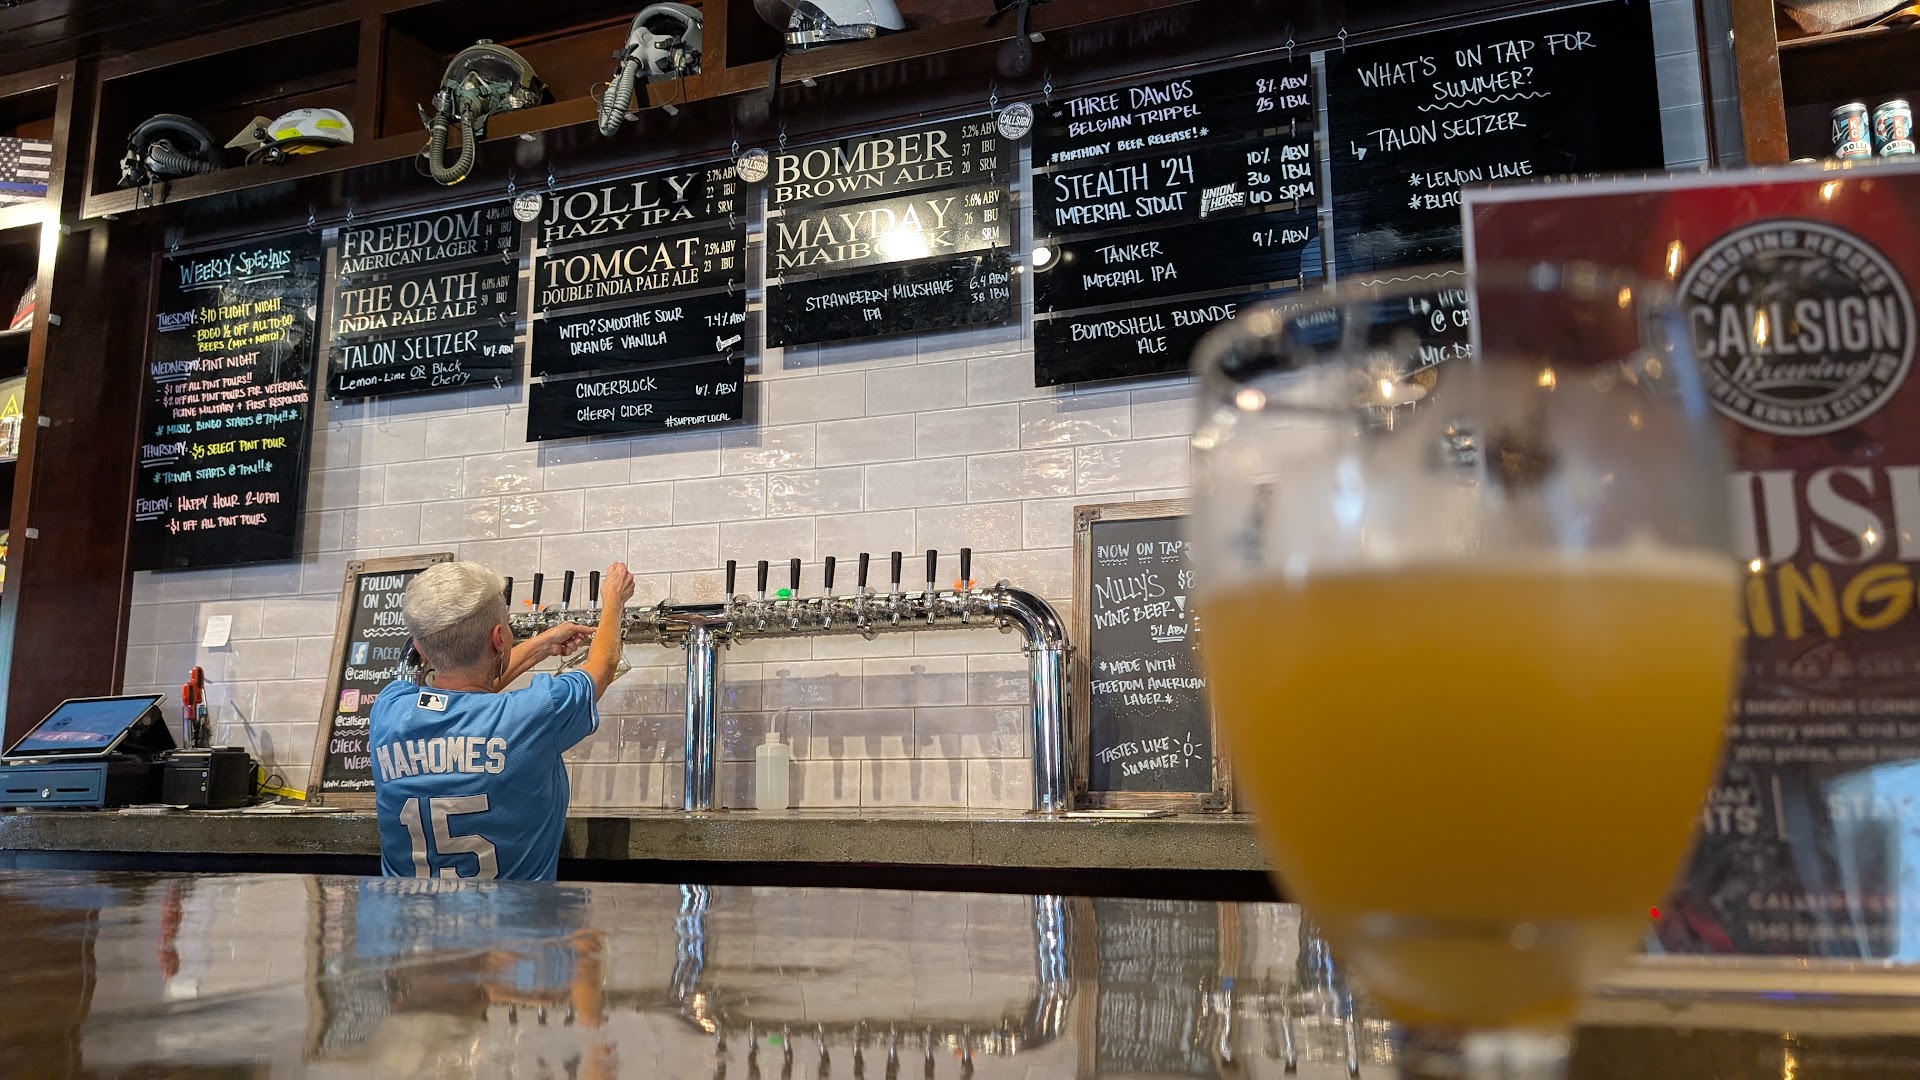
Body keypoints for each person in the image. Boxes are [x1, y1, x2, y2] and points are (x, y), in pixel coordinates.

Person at [369, 560, 635, 881]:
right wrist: (614, 599)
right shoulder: (537, 712)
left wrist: (543, 644)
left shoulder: (388, 708)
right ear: (499, 638)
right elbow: (603, 664)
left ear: (420, 650)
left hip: (406, 913)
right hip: (514, 914)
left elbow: (467, 693)